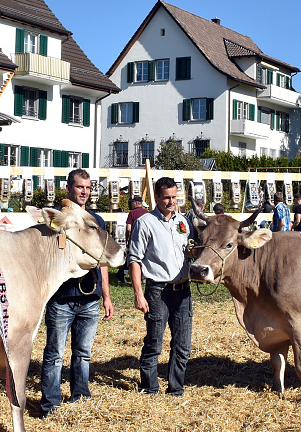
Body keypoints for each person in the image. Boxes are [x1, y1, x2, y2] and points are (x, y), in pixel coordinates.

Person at [40, 168, 114, 415]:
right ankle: (50, 403)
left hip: (89, 298)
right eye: (80, 187)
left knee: (83, 353)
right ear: (69, 189)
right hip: (61, 298)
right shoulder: (57, 220)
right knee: (54, 354)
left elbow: (102, 260)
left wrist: (106, 296)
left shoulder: (96, 221)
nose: (85, 192)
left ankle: (80, 396)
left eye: (88, 187)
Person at [129, 176, 195, 397]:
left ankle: (176, 388)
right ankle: (150, 387)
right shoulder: (145, 223)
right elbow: (135, 260)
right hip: (158, 291)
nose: (171, 202)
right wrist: (139, 294)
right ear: (156, 197)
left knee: (183, 345)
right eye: (166, 197)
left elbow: (188, 250)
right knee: (155, 342)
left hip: (183, 290)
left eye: (174, 197)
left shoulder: (183, 221)